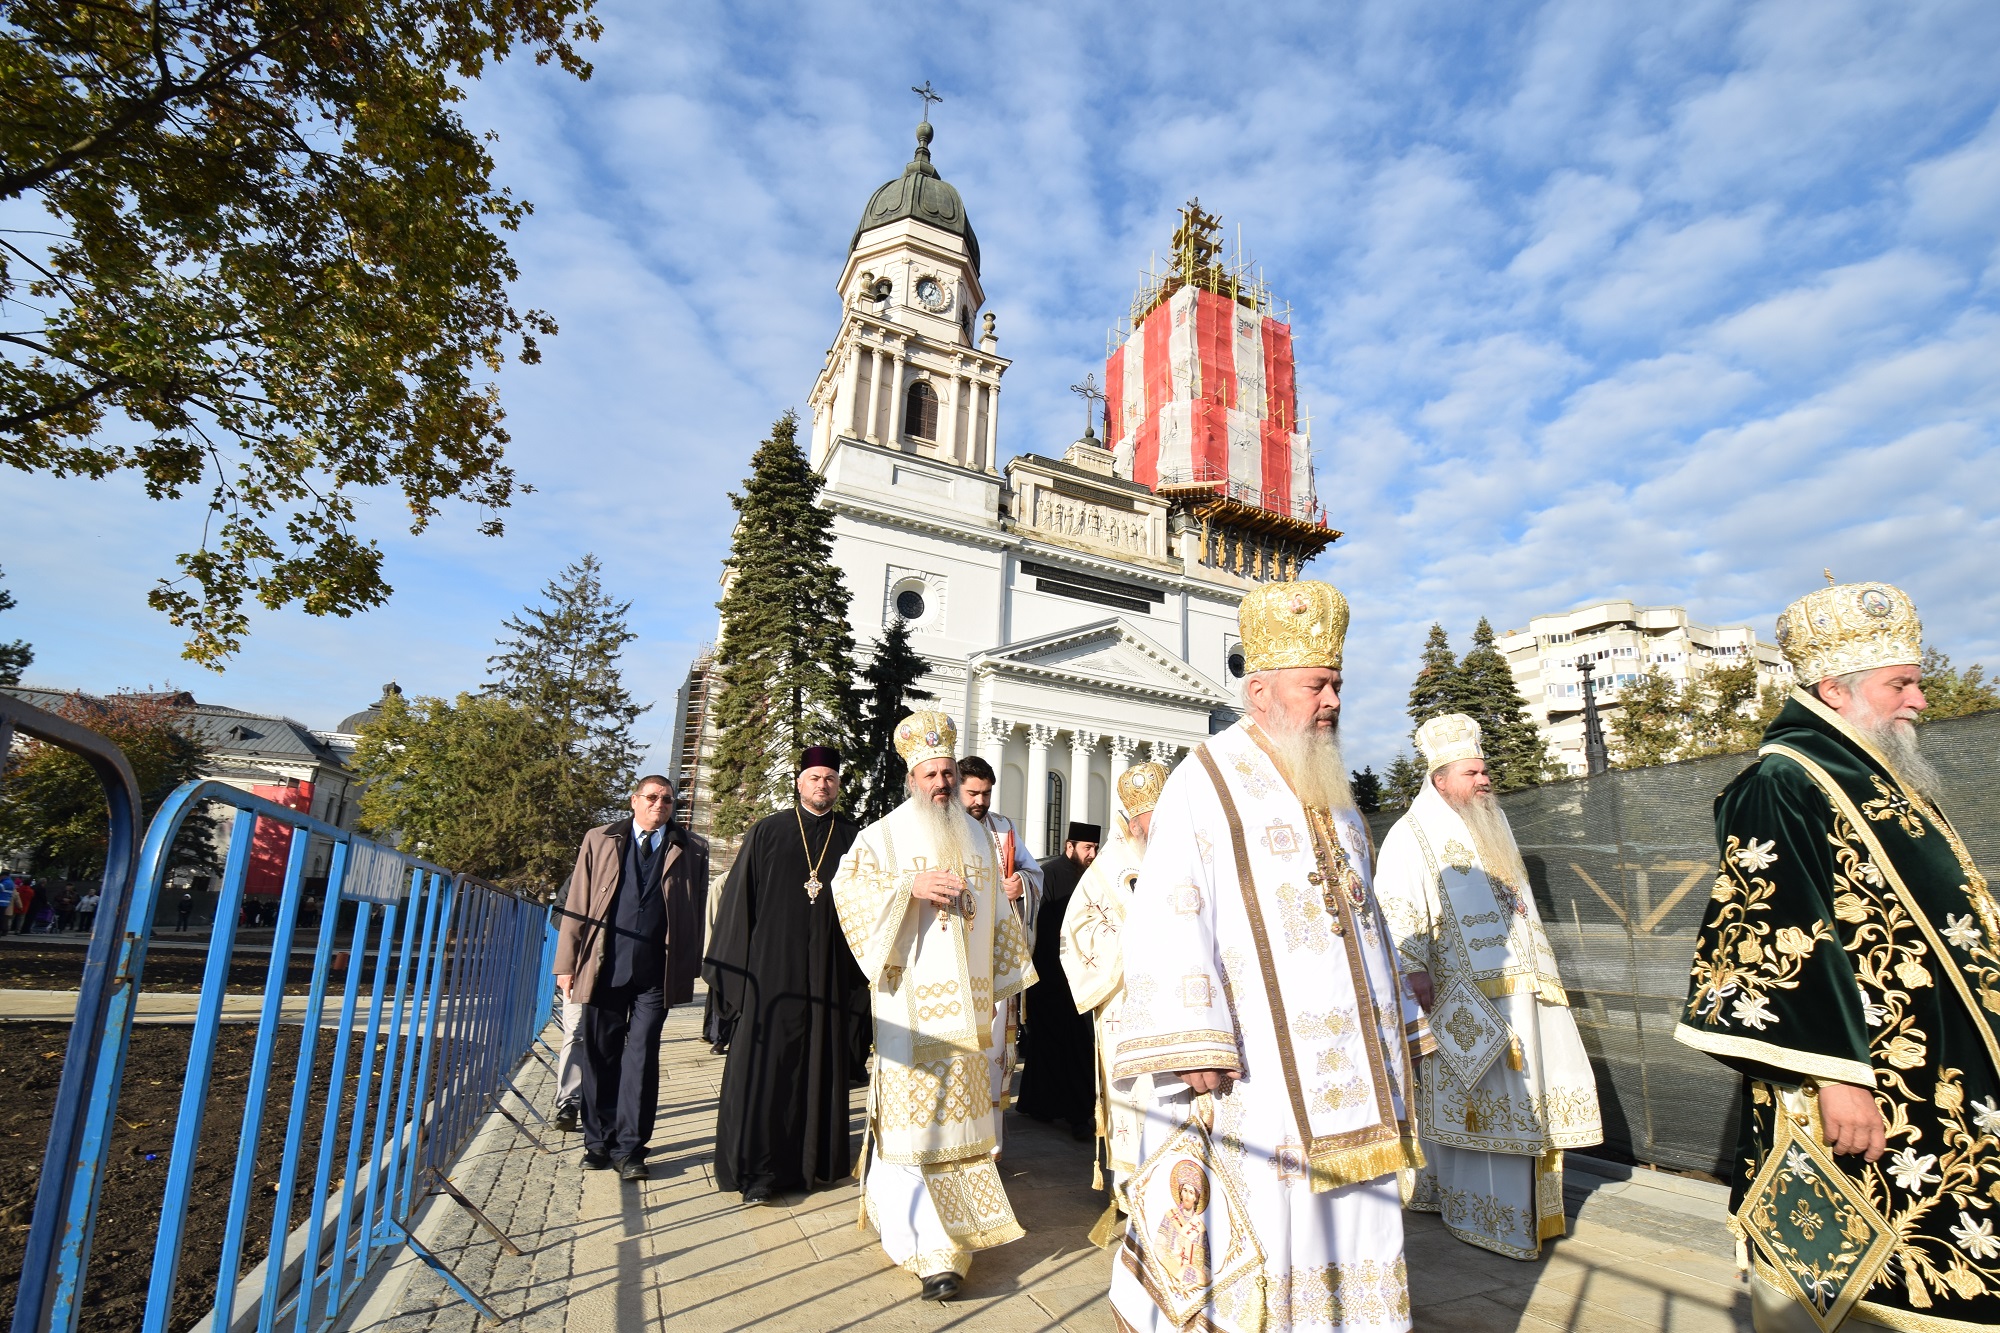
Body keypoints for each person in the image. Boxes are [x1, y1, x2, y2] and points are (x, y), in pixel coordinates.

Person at [1676, 580, 2000, 1333]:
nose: (1920, 699)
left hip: (1938, 1077)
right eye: (1901, 684)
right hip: (1861, 1084)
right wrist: (1838, 1078)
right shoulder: (1780, 781)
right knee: (1849, 1279)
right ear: (1835, 689)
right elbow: (1771, 935)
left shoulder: (1886, 775)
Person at [1109, 580, 1430, 1333]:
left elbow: (1364, 911)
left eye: (1337, 684)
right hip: (1262, 1065)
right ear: (1261, 690)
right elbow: (1171, 906)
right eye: (1317, 685)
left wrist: (1403, 1012)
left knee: (1361, 1216)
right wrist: (1194, 1037)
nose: (1333, 701)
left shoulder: (1333, 786)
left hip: (1355, 1066)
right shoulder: (1207, 777)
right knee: (1272, 1216)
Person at [1374, 713, 1601, 1260]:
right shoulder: (1411, 834)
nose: (1484, 780)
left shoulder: (1495, 825)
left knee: (1527, 1102)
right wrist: (1412, 969)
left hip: (1524, 994)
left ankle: (1528, 1212)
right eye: (1471, 773)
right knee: (1480, 1106)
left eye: (1484, 771)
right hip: (1462, 1000)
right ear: (1439, 780)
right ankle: (1485, 1215)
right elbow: (1395, 907)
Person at [831, 711, 1034, 1302]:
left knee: (959, 1127)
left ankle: (956, 1237)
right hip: (909, 1009)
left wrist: (1003, 983)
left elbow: (997, 913)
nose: (942, 783)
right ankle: (922, 1245)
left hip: (968, 1013)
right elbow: (849, 893)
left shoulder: (976, 837)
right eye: (931, 774)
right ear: (912, 778)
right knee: (916, 1129)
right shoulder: (882, 836)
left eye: (948, 773)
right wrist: (908, 889)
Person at [706, 746, 866, 1205]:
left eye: (830, 778)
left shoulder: (853, 839)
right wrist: (734, 980)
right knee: (768, 1070)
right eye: (814, 777)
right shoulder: (768, 831)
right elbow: (739, 904)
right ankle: (760, 1172)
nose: (822, 785)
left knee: (819, 1065)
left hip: (829, 974)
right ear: (799, 783)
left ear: (838, 785)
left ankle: (815, 1165)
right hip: (769, 975)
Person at [553, 775, 709, 1181]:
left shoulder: (692, 848)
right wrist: (566, 965)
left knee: (641, 1057)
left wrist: (689, 967)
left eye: (668, 800)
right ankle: (598, 1143)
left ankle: (631, 1149)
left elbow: (695, 911)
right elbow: (577, 902)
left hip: (656, 973)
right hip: (604, 967)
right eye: (652, 797)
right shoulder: (600, 839)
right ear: (634, 801)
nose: (660, 804)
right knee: (600, 1054)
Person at [1059, 761, 1168, 1214]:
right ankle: (1129, 1188)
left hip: (1175, 1000)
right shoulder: (1110, 865)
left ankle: (1171, 1183)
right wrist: (1134, 941)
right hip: (1126, 999)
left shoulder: (1186, 852)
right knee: (1131, 1094)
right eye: (1149, 820)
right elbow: (1078, 928)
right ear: (1132, 820)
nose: (1156, 828)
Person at [956, 754, 1043, 1129]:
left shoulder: (1004, 829)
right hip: (954, 951)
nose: (980, 801)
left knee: (992, 1046)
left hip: (995, 953)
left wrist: (1020, 883)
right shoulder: (941, 826)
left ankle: (989, 1138)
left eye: (986, 794)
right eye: (973, 793)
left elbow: (1033, 871)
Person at [1015, 820, 1101, 1137]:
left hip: (1080, 976)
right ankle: (1063, 1111)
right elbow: (1045, 927)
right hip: (1051, 975)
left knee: (1073, 1046)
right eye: (1087, 848)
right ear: (1069, 847)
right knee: (1052, 1046)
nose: (1092, 854)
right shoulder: (1049, 874)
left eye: (1095, 848)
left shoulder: (1094, 877)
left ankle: (1061, 1109)